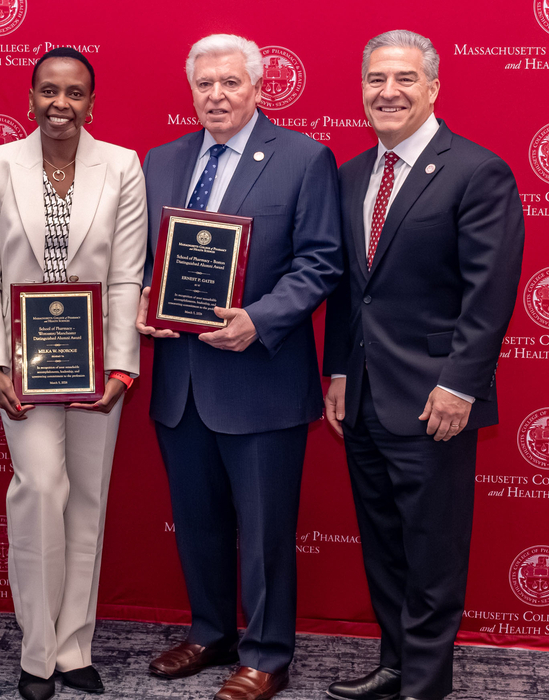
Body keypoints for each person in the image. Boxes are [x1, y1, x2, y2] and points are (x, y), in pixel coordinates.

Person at [137, 34, 342, 700]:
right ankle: (210, 631)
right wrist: (142, 295)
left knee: (263, 531)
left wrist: (259, 319)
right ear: (190, 89)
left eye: (230, 83)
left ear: (259, 87)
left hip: (260, 380)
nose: (216, 95)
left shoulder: (305, 158)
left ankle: (267, 652)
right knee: (196, 521)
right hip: (181, 381)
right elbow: (144, 258)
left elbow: (319, 263)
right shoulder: (162, 161)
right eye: (204, 84)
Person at [322, 30, 524, 700]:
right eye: (376, 79)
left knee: (433, 553)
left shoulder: (477, 170)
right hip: (365, 400)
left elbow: (488, 294)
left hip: (435, 401)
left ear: (434, 87)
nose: (389, 92)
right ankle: (393, 666)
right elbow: (351, 289)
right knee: (384, 547)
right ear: (362, 90)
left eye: (405, 79)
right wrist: (340, 373)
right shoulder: (351, 173)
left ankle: (424, 686)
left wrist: (458, 385)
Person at [0, 47, 147, 700]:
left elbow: (128, 274)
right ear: (30, 98)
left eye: (74, 93)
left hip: (98, 366)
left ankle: (74, 648)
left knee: (87, 504)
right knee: (41, 491)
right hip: (24, 366)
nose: (60, 104)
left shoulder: (123, 166)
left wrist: (122, 365)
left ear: (92, 104)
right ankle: (36, 652)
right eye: (48, 91)